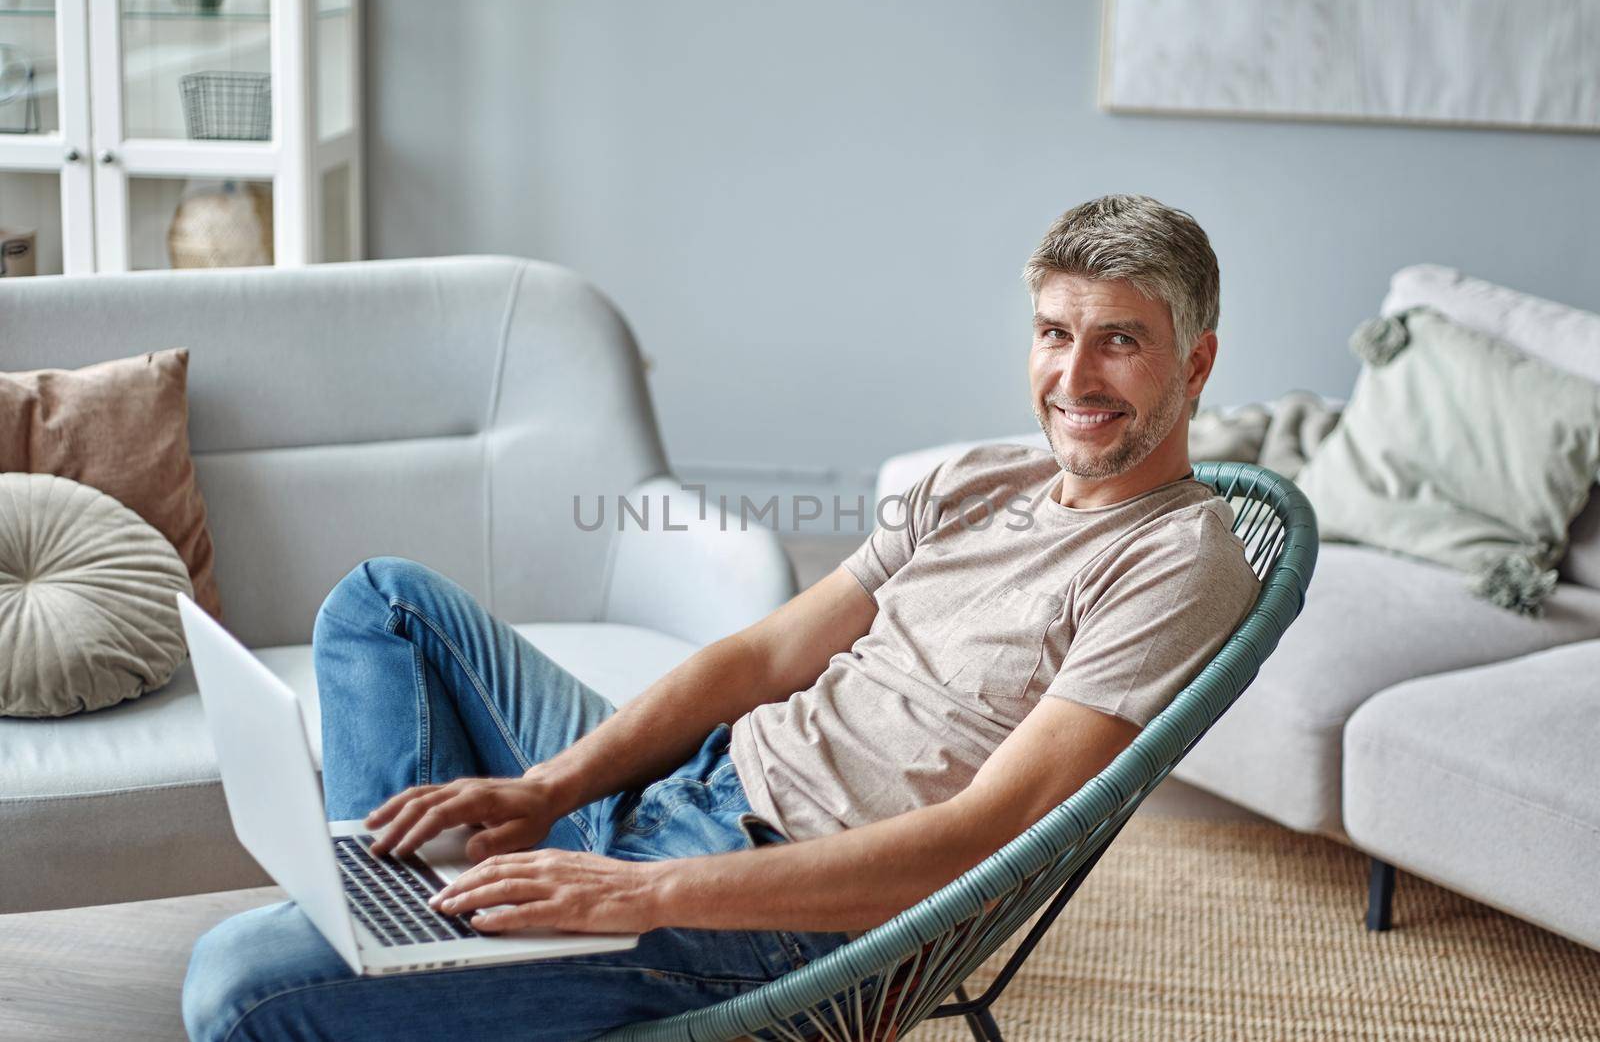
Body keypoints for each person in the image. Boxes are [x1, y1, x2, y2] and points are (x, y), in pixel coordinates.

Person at [182, 193, 1263, 1041]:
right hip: (696, 784)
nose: (1073, 374)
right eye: (1052, 332)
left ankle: (419, 951)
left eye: (1118, 339)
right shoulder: (975, 478)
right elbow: (766, 652)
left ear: (1196, 361)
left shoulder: (1175, 560)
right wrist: (550, 786)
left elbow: (969, 843)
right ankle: (415, 938)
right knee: (383, 602)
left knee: (238, 988)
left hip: (781, 907)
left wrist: (636, 893)